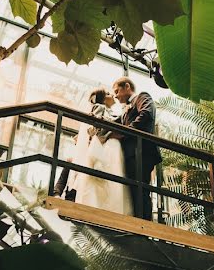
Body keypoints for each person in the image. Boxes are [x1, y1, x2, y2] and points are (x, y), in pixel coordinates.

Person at [65, 87, 132, 215]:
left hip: (106, 146)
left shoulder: (109, 110)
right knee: (103, 178)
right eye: (108, 94)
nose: (112, 95)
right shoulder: (100, 107)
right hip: (103, 147)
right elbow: (96, 129)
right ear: (102, 98)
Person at [111, 76, 162, 221]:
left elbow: (146, 114)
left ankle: (144, 224)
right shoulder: (126, 110)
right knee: (132, 189)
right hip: (130, 154)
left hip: (142, 152)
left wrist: (123, 133)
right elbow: (116, 122)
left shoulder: (142, 97)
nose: (115, 96)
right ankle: (136, 221)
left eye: (117, 91)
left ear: (127, 86)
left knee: (141, 189)